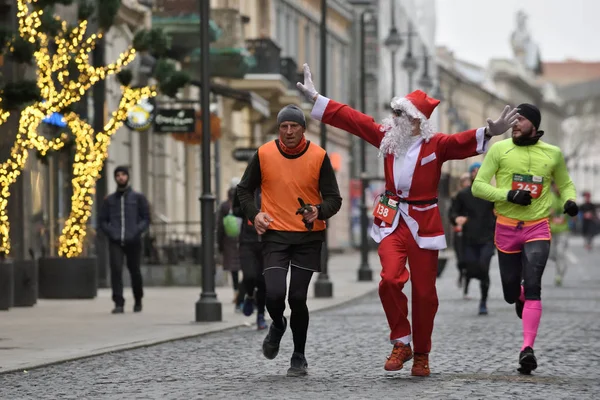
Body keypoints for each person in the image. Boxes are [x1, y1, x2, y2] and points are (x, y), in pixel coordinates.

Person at [297, 63, 517, 376]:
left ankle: (422, 352)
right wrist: (316, 98)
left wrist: (489, 133)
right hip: (391, 220)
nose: (394, 118)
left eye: (401, 114)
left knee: (425, 294)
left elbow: (461, 142)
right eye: (395, 113)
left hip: (424, 224)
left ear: (417, 120)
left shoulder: (436, 145)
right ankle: (402, 341)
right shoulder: (387, 138)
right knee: (389, 279)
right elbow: (352, 120)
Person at [472, 103, 578, 375]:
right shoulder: (498, 149)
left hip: (537, 227)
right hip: (506, 226)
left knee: (534, 286)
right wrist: (507, 195)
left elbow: (565, 184)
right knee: (510, 293)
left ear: (534, 123)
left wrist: (569, 200)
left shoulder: (553, 154)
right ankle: (517, 295)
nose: (514, 124)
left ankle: (527, 349)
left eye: (520, 119)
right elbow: (478, 186)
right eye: (513, 120)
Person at [237, 104, 342, 377]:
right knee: (273, 295)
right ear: (279, 129)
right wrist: (255, 214)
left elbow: (334, 199)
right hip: (275, 235)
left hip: (308, 236)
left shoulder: (319, 157)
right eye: (284, 126)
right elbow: (244, 190)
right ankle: (277, 324)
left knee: (297, 297)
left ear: (303, 129)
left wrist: (319, 210)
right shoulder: (263, 154)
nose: (288, 131)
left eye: (294, 126)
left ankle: (298, 355)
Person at [99, 166, 151, 314]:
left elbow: (146, 218)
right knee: (116, 270)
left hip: (133, 240)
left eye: (123, 175)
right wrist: (111, 232)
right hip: (116, 240)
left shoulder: (138, 198)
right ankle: (118, 302)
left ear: (128, 177)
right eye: (118, 175)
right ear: (115, 178)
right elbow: (102, 220)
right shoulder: (109, 200)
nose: (121, 177)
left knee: (134, 270)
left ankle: (138, 299)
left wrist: (136, 230)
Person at [449, 162, 496, 314]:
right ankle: (467, 278)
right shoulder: (463, 195)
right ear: (470, 174)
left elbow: (501, 211)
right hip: (469, 239)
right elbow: (453, 213)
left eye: (479, 170)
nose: (476, 173)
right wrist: (457, 219)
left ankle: (483, 301)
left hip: (487, 238)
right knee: (470, 266)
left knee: (484, 267)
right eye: (473, 171)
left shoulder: (491, 194)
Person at [232, 183, 268, 330]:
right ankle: (250, 296)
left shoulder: (272, 186)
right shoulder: (243, 188)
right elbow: (234, 210)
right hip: (247, 241)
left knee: (263, 281)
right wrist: (249, 211)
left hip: (267, 241)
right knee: (249, 276)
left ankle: (260, 315)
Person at [217, 184, 243, 312]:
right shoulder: (242, 204)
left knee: (234, 271)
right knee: (247, 270)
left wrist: (220, 244)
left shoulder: (224, 206)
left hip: (229, 242)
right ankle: (245, 293)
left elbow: (220, 227)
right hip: (242, 240)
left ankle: (236, 293)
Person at [448, 173, 472, 291]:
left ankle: (466, 284)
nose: (467, 183)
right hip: (459, 230)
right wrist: (456, 220)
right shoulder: (456, 197)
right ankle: (461, 273)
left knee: (468, 259)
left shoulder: (475, 196)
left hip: (472, 231)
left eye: (468, 180)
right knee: (460, 259)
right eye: (464, 181)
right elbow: (451, 213)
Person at [548, 182, 571, 286]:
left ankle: (559, 275)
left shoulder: (566, 198)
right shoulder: (548, 197)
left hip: (563, 231)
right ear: (553, 186)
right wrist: (549, 213)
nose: (557, 187)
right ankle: (560, 265)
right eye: (555, 185)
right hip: (550, 231)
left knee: (560, 253)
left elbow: (573, 214)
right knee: (551, 254)